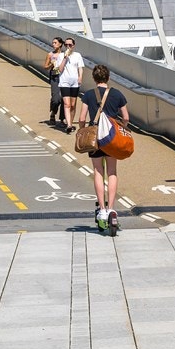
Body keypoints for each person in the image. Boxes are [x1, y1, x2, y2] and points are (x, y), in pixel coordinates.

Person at [80, 63, 129, 233]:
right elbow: (126, 117)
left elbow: (81, 118)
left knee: (98, 171)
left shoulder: (88, 95)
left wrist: (82, 129)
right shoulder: (117, 94)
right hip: (112, 138)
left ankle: (101, 209)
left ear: (94, 79)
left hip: (95, 138)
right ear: (108, 77)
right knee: (112, 172)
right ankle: (112, 209)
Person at [57, 37, 84, 131]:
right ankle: (68, 125)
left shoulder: (77, 55)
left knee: (73, 104)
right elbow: (60, 69)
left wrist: (80, 77)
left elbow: (80, 67)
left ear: (73, 46)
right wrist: (65, 58)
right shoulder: (60, 55)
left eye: (70, 45)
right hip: (64, 81)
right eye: (66, 45)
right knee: (67, 104)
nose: (68, 47)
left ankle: (71, 123)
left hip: (74, 82)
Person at [43, 37, 66, 129]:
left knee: (64, 98)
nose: (53, 44)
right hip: (54, 77)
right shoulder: (50, 54)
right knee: (56, 98)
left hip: (64, 77)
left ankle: (62, 119)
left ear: (60, 44)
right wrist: (51, 64)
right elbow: (45, 66)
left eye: (55, 43)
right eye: (53, 43)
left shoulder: (65, 55)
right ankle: (53, 112)